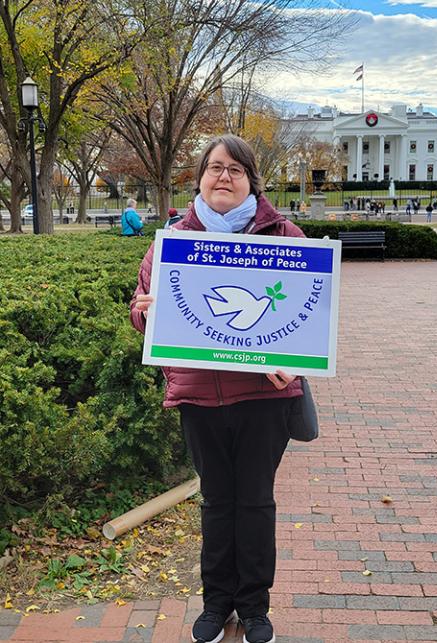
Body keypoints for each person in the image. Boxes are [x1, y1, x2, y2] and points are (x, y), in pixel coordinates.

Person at [130, 134, 304, 643]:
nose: (223, 176)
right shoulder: (172, 241)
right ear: (200, 178)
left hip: (264, 398)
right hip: (201, 397)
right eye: (214, 167)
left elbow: (308, 316)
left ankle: (253, 608)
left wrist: (293, 366)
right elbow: (145, 312)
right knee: (216, 502)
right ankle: (216, 603)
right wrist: (144, 314)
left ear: (251, 180)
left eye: (235, 169)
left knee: (254, 502)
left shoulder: (283, 235)